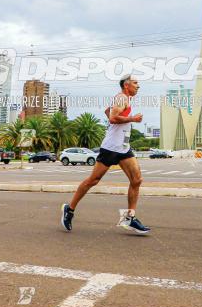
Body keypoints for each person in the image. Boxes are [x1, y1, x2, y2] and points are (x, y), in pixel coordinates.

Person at [61, 75, 150, 234]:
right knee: (93, 181)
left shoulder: (124, 99)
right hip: (110, 148)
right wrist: (133, 119)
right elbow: (114, 117)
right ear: (126, 85)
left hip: (123, 147)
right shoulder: (122, 98)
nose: (138, 86)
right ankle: (70, 209)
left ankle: (129, 218)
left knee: (136, 180)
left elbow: (107, 112)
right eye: (136, 83)